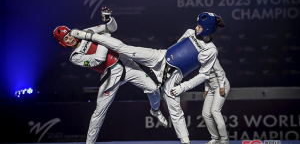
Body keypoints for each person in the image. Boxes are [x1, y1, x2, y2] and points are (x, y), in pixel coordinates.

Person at [70, 11, 226, 144]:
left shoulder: (211, 51)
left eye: (200, 26)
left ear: (207, 29)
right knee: (125, 48)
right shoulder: (190, 32)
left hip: (174, 78)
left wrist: (181, 87)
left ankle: (185, 142)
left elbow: (204, 74)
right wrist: (161, 63)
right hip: (159, 57)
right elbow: (177, 48)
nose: (196, 27)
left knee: (175, 111)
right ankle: (87, 35)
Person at [52, 8, 167, 144]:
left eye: (69, 34)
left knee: (153, 89)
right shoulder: (75, 56)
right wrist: (104, 38)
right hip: (110, 75)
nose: (70, 38)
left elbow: (112, 28)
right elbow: (98, 59)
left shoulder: (86, 32)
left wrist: (108, 20)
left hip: (126, 63)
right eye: (66, 38)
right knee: (99, 112)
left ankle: (155, 110)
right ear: (62, 43)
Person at [201, 59, 230, 144]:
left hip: (221, 84)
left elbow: (220, 72)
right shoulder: (200, 59)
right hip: (211, 86)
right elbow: (205, 75)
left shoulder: (212, 56)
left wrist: (221, 86)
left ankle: (224, 139)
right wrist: (206, 89)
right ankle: (215, 138)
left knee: (215, 110)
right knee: (205, 113)